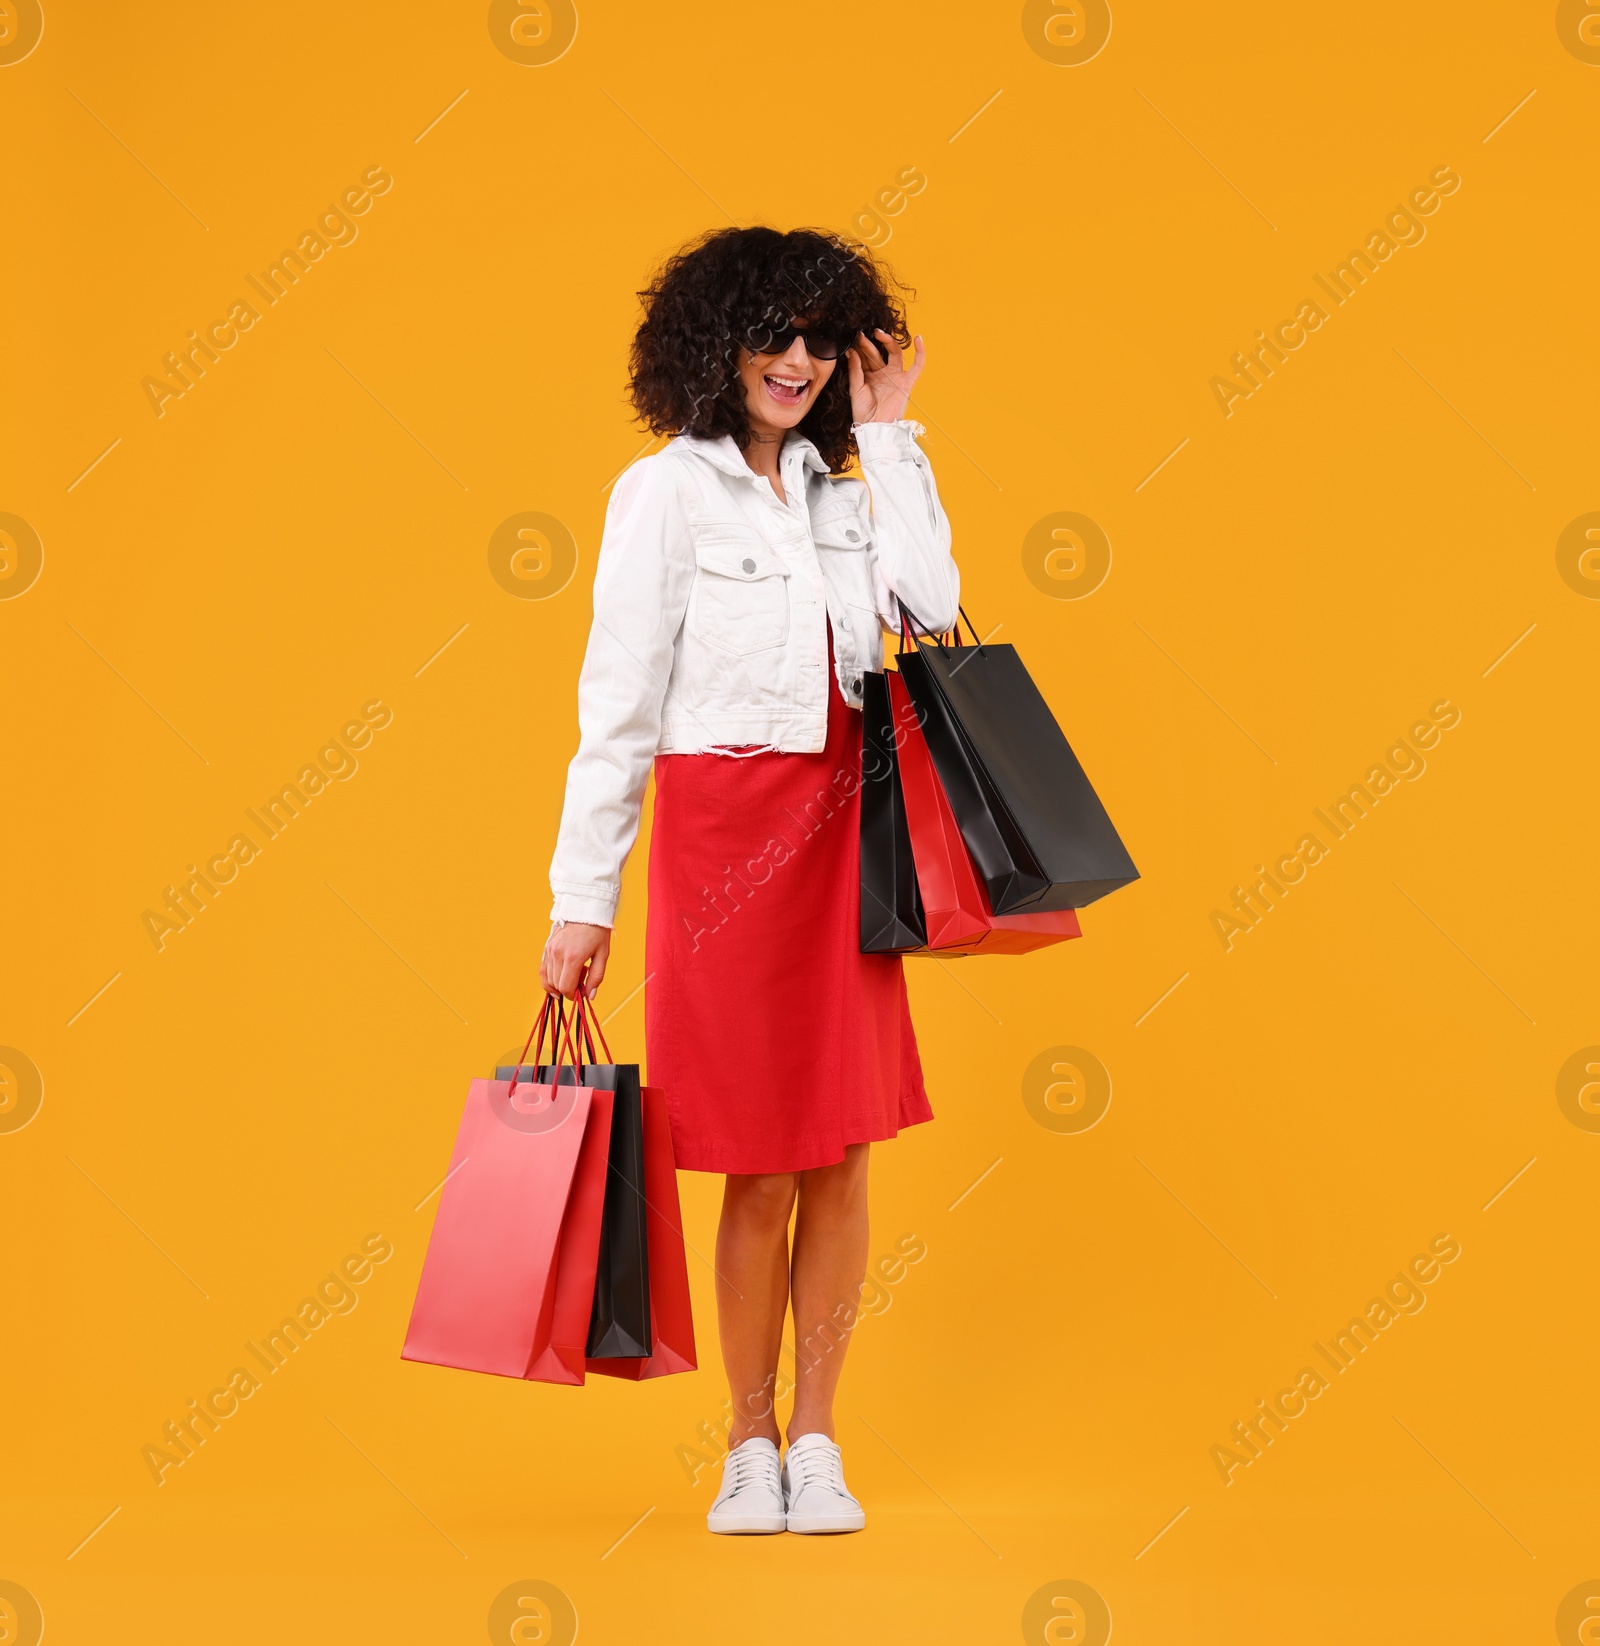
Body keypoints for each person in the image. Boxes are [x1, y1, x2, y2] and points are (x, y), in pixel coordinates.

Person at [541, 225, 959, 1535]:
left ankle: (821, 1438)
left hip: (845, 831)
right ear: (713, 344)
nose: (796, 360)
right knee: (757, 1162)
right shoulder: (660, 493)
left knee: (838, 1151)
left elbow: (935, 607)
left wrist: (888, 433)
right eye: (772, 335)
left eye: (819, 339)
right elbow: (616, 703)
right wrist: (582, 895)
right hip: (725, 839)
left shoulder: (854, 485)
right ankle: (746, 1443)